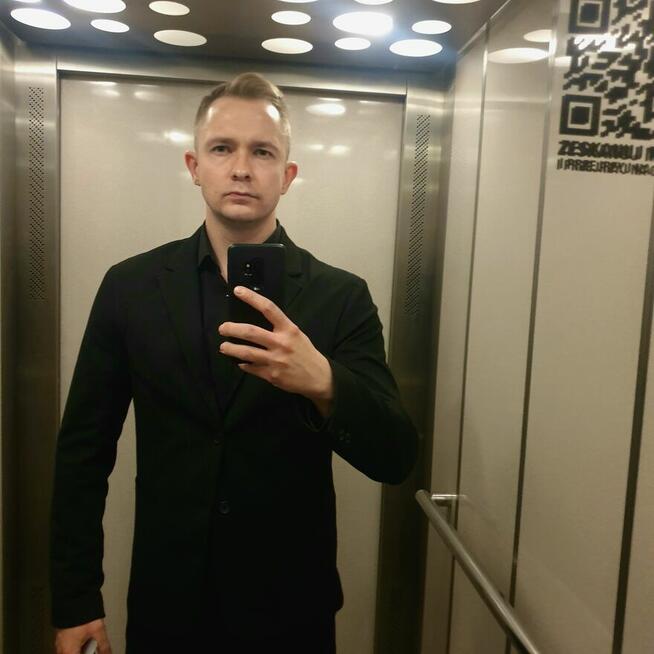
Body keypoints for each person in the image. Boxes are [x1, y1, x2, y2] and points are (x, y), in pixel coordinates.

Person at [50, 72, 418, 654]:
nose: (242, 168)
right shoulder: (131, 287)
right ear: (195, 166)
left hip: (291, 609)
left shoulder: (340, 296)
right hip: (169, 604)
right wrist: (75, 601)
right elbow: (82, 452)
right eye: (222, 148)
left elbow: (395, 456)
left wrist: (324, 383)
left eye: (262, 152)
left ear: (287, 176)